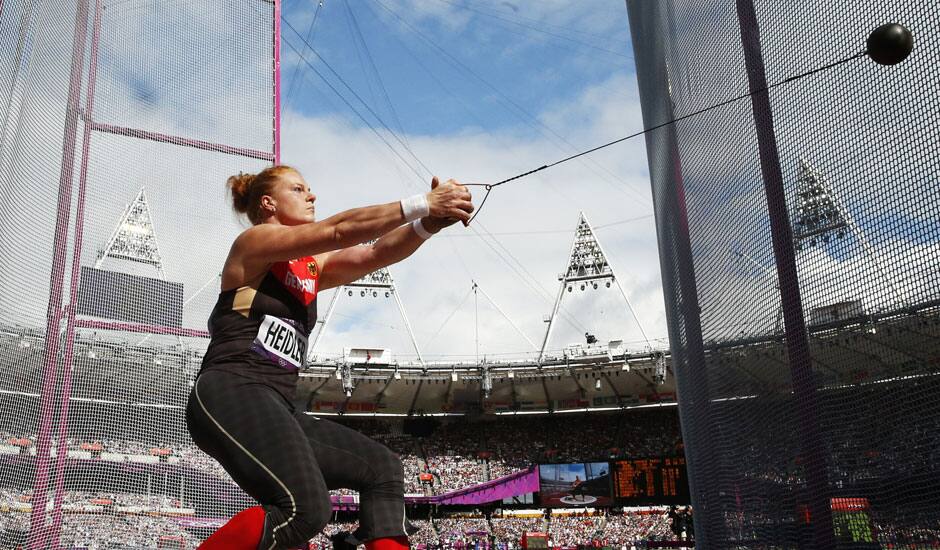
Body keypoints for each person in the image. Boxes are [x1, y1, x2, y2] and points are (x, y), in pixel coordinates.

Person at [185, 165, 474, 550]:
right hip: (232, 392)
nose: (312, 195)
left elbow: (375, 253)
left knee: (382, 468)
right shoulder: (252, 244)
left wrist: (430, 224)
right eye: (299, 188)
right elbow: (338, 231)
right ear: (268, 203)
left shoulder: (310, 268)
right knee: (305, 510)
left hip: (277, 403)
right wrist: (423, 203)